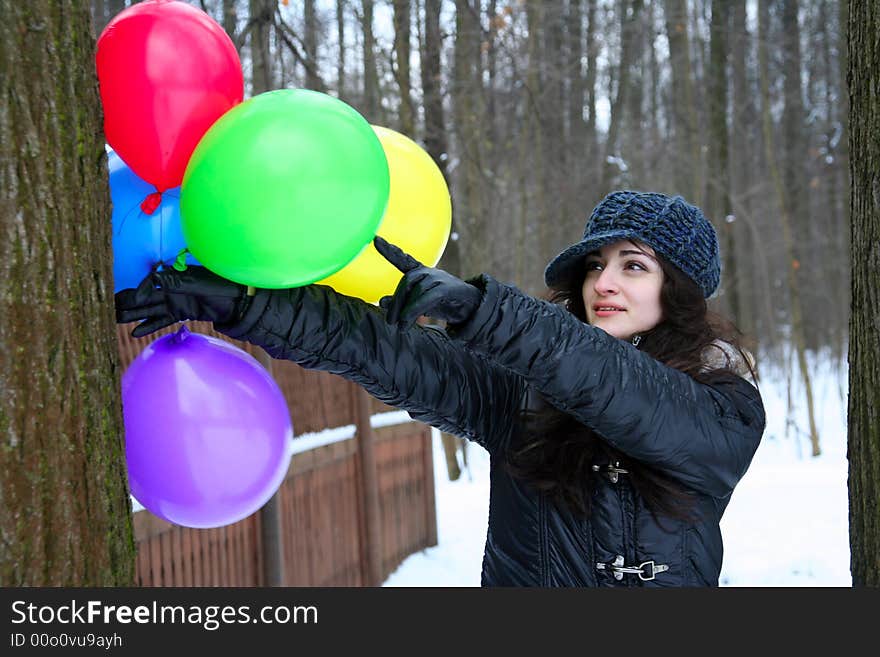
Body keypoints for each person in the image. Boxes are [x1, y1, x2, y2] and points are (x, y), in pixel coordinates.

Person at [116, 190, 765, 587]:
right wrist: (246, 301)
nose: (604, 282)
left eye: (633, 266)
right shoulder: (521, 390)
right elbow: (380, 348)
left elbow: (631, 396)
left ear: (676, 290)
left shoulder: (723, 406)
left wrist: (486, 312)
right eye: (595, 264)